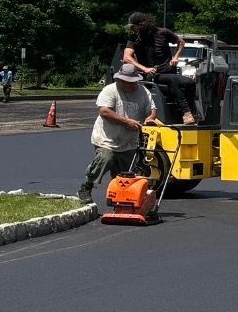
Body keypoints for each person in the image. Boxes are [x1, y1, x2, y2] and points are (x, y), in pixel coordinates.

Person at [78, 63, 158, 203]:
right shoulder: (110, 90)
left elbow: (152, 109)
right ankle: (86, 186)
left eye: (131, 82)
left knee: (125, 174)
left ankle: (115, 195)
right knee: (105, 159)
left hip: (128, 141)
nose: (127, 85)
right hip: (107, 138)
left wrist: (150, 118)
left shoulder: (143, 92)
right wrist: (126, 122)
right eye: (124, 82)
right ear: (119, 80)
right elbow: (104, 112)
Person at [123, 12, 196, 126]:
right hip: (152, 75)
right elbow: (127, 57)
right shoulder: (134, 38)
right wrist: (145, 69)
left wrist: (176, 56)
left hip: (168, 71)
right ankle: (186, 112)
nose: (132, 29)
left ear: (142, 24)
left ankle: (192, 111)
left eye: (134, 26)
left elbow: (181, 42)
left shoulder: (163, 32)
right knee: (173, 80)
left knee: (190, 82)